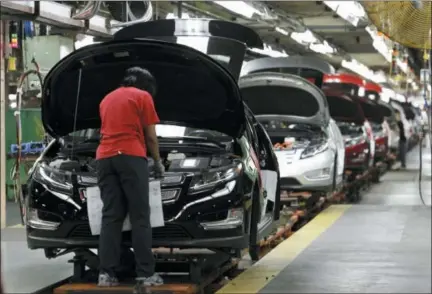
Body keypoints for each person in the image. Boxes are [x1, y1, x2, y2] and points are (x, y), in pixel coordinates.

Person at [96, 67, 165, 289]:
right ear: (147, 85)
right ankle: (145, 273)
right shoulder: (142, 96)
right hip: (131, 156)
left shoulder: (106, 98)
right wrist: (157, 161)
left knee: (111, 216)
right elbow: (151, 137)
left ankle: (106, 274)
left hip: (105, 158)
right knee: (140, 217)